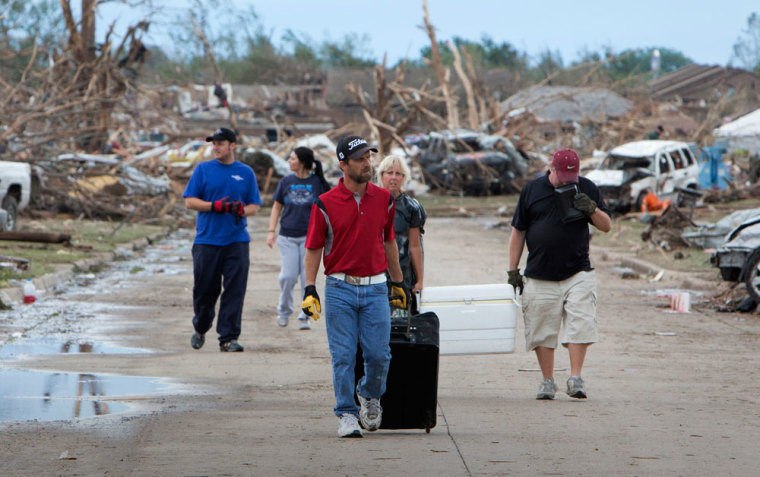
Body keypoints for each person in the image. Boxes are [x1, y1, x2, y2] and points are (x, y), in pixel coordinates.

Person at [301, 135, 408, 438]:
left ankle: (369, 396)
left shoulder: (384, 199)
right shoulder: (324, 203)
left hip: (376, 289)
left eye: (369, 157)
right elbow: (313, 248)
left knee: (378, 355)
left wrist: (397, 282)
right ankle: (346, 414)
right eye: (360, 159)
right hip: (339, 288)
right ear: (343, 164)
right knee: (344, 355)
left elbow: (388, 241)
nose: (367, 163)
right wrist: (310, 288)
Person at [508, 148, 611, 400]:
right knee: (542, 328)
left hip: (578, 272)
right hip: (539, 273)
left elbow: (606, 225)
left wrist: (591, 209)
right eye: (563, 175)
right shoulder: (531, 191)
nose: (567, 181)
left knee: (581, 323)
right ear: (551, 169)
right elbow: (518, 232)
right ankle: (547, 380)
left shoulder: (586, 187)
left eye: (571, 176)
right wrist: (513, 270)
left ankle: (575, 378)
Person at [183, 127, 262, 352]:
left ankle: (228, 338)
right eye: (213, 143)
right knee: (205, 291)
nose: (215, 147)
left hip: (236, 240)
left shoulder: (245, 172)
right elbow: (190, 201)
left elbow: (254, 207)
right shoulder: (203, 170)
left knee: (235, 290)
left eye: (220, 143)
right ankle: (201, 325)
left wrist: (240, 210)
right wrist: (215, 206)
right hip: (207, 241)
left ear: (232, 146)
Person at [266, 146, 331, 330]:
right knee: (287, 276)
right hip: (287, 236)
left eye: (293, 158)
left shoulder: (317, 183)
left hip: (310, 239)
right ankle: (284, 310)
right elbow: (276, 207)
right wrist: (271, 232)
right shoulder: (286, 181)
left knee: (306, 279)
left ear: (302, 162)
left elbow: (327, 209)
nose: (289, 161)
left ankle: (305, 315)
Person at [376, 155, 426, 310]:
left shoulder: (412, 207)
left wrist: (419, 280)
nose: (393, 177)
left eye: (398, 174)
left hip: (403, 274)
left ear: (404, 178)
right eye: (389, 173)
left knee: (402, 325)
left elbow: (415, 246)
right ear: (381, 175)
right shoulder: (370, 202)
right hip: (375, 275)